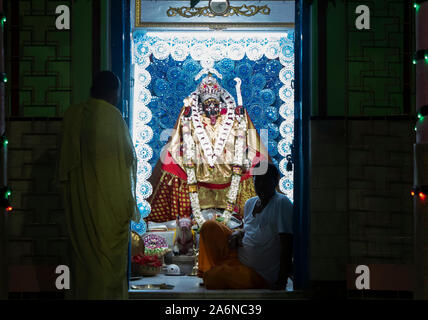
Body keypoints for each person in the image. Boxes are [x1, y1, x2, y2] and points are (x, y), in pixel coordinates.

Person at [58, 71, 140, 299]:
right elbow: (128, 161)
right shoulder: (113, 118)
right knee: (105, 272)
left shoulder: (72, 116)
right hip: (107, 216)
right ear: (115, 93)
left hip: (81, 209)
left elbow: (63, 170)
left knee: (84, 266)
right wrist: (127, 205)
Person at [147, 73, 268, 226]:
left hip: (229, 168)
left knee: (250, 162)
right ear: (202, 106)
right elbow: (178, 139)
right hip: (197, 170)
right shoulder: (191, 115)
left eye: (215, 105)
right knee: (173, 162)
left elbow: (245, 135)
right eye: (207, 106)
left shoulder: (230, 116)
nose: (212, 110)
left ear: (220, 103)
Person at [197, 162, 293, 290]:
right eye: (257, 180)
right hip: (238, 257)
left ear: (275, 181)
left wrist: (281, 281)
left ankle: (217, 273)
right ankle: (213, 270)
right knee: (209, 227)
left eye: (265, 180)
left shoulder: (281, 203)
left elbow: (287, 244)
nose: (261, 185)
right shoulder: (250, 203)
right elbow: (251, 228)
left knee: (213, 279)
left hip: (259, 273)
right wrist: (240, 232)